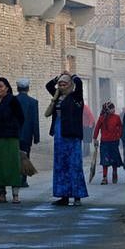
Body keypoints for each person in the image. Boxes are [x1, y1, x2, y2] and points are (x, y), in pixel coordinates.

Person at [45, 72, 88, 206]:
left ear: (70, 85)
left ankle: (77, 196)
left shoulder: (76, 97)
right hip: (59, 133)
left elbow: (79, 83)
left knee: (74, 165)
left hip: (72, 135)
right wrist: (58, 77)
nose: (62, 86)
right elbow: (48, 85)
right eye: (60, 84)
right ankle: (63, 196)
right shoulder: (57, 97)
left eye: (65, 84)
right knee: (60, 164)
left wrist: (71, 75)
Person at [15, 78, 40, 188]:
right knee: (25, 156)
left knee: (14, 156)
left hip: (14, 134)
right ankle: (23, 180)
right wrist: (36, 136)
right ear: (28, 89)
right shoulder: (33, 102)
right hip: (27, 134)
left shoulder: (12, 101)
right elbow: (35, 120)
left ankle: (15, 178)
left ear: (17, 88)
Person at [93, 101, 123, 185]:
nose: (114, 109)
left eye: (113, 108)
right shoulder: (101, 118)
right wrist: (95, 138)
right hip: (104, 142)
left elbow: (120, 126)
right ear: (108, 110)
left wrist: (119, 134)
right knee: (104, 160)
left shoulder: (116, 117)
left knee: (114, 159)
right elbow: (97, 128)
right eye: (112, 108)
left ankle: (114, 173)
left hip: (114, 141)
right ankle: (104, 177)